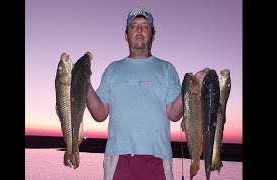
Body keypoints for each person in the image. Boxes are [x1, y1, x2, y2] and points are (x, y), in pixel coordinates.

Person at [86, 6, 205, 180]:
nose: (140, 30)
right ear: (126, 35)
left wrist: (191, 90)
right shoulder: (112, 69)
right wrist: (84, 85)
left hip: (158, 158)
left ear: (153, 35)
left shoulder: (166, 68)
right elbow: (100, 114)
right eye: (134, 26)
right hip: (119, 157)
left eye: (145, 26)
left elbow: (173, 113)